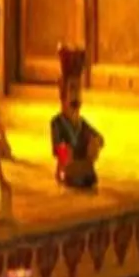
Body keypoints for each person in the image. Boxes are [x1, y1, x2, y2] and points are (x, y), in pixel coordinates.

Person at [51, 43, 103, 190]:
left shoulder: (82, 124)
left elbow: (100, 138)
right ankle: (70, 174)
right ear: (63, 95)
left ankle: (82, 173)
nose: (76, 96)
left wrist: (95, 142)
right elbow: (57, 147)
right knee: (66, 152)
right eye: (72, 90)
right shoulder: (57, 123)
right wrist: (65, 152)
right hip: (68, 166)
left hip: (83, 165)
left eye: (78, 91)